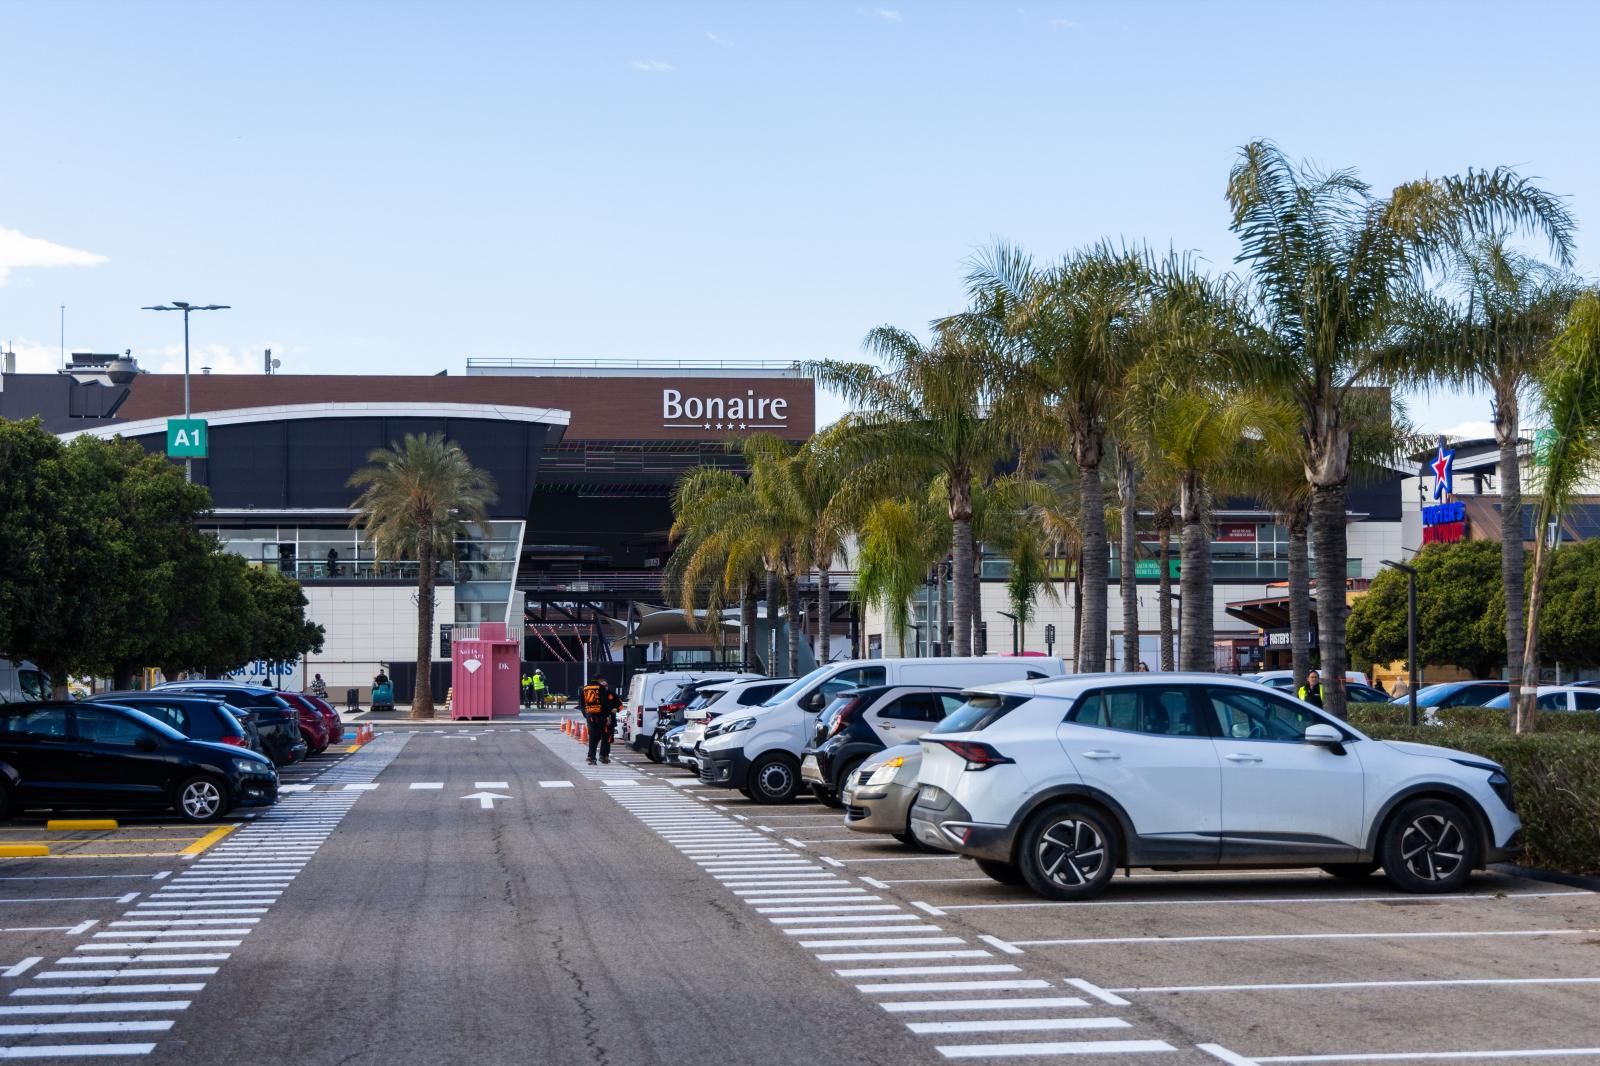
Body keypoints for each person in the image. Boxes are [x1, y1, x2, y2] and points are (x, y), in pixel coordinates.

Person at [580, 676, 621, 765]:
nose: (604, 685)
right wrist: (607, 716)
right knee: (597, 737)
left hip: (595, 717)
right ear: (599, 681)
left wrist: (616, 709)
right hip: (602, 717)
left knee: (602, 738)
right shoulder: (599, 690)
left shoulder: (611, 694)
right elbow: (603, 705)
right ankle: (594, 757)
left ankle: (599, 756)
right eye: (602, 682)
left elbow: (582, 703)